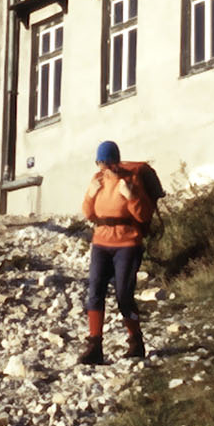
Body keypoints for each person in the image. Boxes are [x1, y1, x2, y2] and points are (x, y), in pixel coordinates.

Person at [77, 140, 155, 365]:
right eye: (101, 163)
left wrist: (131, 196)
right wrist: (91, 195)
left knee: (124, 296)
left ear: (115, 161)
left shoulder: (130, 180)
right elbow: (88, 214)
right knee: (95, 293)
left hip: (127, 244)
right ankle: (94, 345)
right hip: (101, 243)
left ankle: (136, 341)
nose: (104, 168)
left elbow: (144, 216)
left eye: (107, 163)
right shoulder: (97, 180)